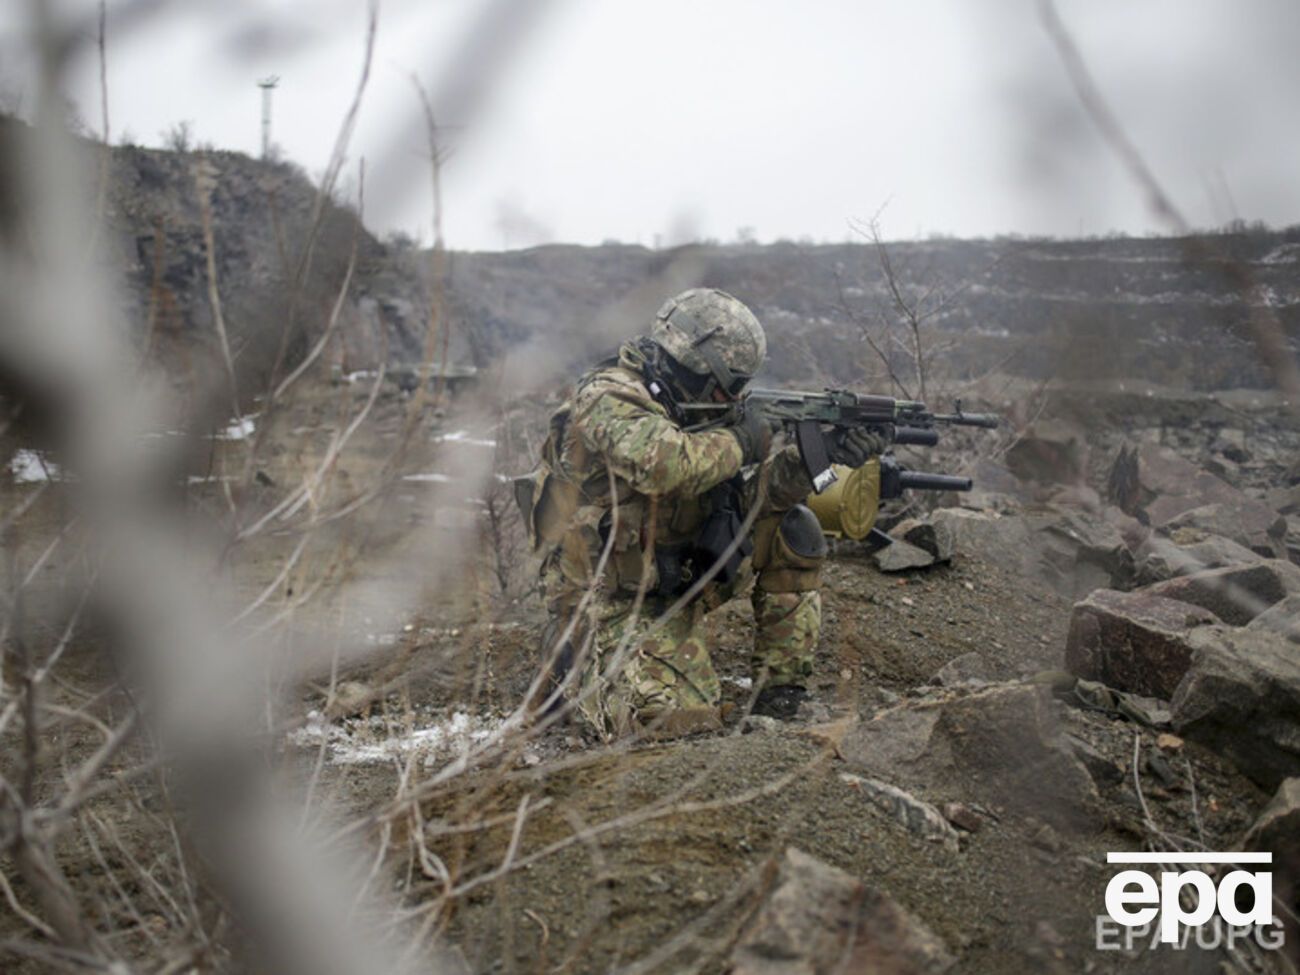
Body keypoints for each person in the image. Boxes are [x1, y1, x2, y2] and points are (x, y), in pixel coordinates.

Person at [516, 288, 883, 738]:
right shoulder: (606, 396)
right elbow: (665, 466)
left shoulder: (697, 406)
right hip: (609, 598)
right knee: (672, 727)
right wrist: (744, 439)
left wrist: (817, 458)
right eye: (730, 385)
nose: (736, 396)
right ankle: (570, 666)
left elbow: (754, 500)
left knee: (793, 527)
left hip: (680, 568)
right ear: (693, 366)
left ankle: (779, 693)